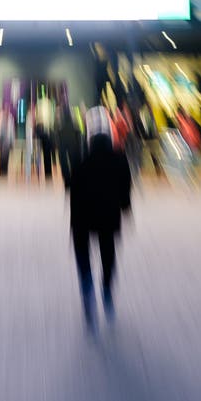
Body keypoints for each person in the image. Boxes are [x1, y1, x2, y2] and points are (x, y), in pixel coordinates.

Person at [67, 123, 132, 330]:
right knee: (108, 252)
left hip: (82, 218)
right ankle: (106, 287)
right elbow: (126, 187)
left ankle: (87, 284)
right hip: (108, 215)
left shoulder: (81, 159)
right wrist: (125, 207)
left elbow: (69, 185)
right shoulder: (119, 159)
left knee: (82, 253)